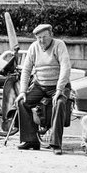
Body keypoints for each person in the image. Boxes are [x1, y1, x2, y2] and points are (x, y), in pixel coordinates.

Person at [14, 24, 71, 155]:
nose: (41, 40)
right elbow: (27, 69)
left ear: (51, 35)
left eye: (44, 37)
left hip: (58, 85)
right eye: (39, 37)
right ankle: (31, 140)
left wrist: (59, 90)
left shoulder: (59, 45)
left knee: (60, 103)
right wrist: (22, 91)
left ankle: (56, 143)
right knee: (22, 102)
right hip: (40, 85)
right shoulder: (34, 47)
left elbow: (65, 67)